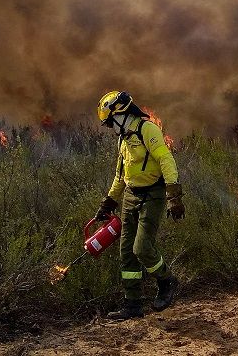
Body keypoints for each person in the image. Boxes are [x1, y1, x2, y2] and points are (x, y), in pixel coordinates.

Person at [95, 90, 185, 320]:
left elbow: (166, 159)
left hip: (152, 195)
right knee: (127, 253)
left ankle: (167, 281)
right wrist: (109, 202)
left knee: (142, 248)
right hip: (130, 197)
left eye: (110, 122)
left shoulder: (147, 129)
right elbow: (120, 175)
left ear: (121, 114)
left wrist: (173, 195)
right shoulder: (123, 140)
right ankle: (132, 305)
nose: (110, 127)